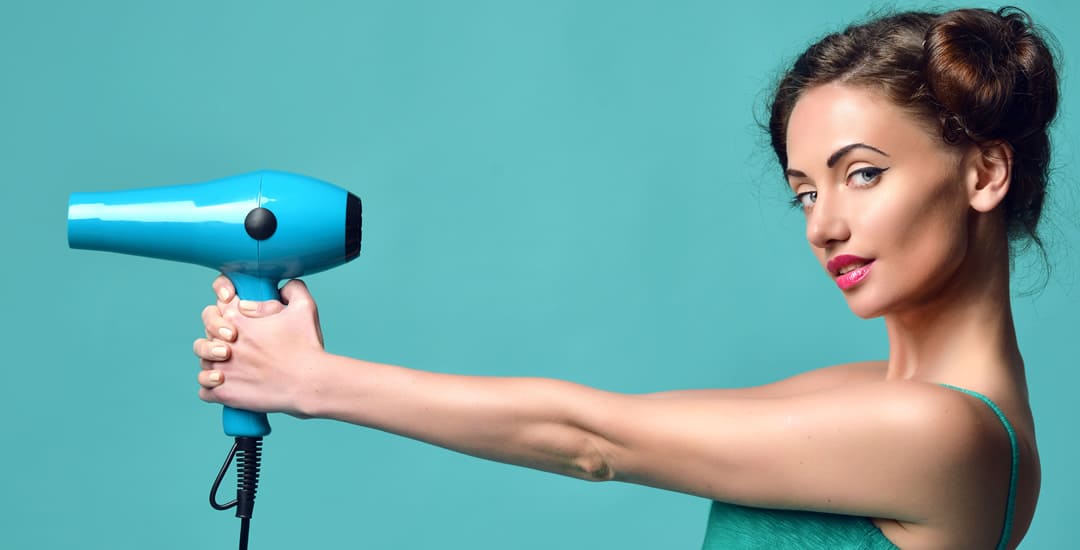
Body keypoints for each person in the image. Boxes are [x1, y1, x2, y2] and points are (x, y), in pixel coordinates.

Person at [192, 7, 1059, 549]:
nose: (823, 224)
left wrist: (316, 381)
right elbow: (600, 421)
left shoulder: (943, 432)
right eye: (804, 191)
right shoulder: (864, 393)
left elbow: (595, 444)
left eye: (862, 172)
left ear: (984, 173)